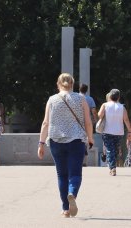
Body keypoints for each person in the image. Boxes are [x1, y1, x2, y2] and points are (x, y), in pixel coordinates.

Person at [38, 73, 94, 218]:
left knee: (61, 175)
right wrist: (90, 138)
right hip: (76, 141)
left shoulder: (52, 100)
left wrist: (41, 143)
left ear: (58, 84)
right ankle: (72, 193)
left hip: (56, 141)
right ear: (72, 84)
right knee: (75, 173)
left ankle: (65, 209)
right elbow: (88, 122)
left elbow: (45, 123)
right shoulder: (81, 99)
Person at [97, 89, 131, 176]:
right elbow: (126, 120)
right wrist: (130, 131)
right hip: (119, 132)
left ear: (110, 96)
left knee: (109, 149)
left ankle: (112, 168)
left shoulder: (105, 105)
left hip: (107, 131)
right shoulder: (122, 107)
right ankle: (113, 166)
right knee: (115, 150)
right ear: (118, 97)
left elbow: (99, 115)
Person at [78, 84, 98, 166]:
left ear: (79, 89)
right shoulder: (90, 99)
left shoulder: (75, 97)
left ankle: (78, 158)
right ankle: (84, 160)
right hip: (87, 122)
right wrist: (96, 120)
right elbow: (93, 111)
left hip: (76, 122)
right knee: (86, 139)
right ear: (87, 90)